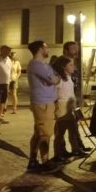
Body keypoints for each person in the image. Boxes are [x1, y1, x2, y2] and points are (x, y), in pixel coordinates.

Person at [26, 40, 61, 172]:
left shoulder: (41, 65)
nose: (48, 49)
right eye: (46, 47)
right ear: (40, 49)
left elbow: (54, 78)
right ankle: (44, 161)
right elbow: (54, 80)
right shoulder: (36, 65)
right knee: (45, 134)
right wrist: (57, 77)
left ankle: (33, 161)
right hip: (43, 103)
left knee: (38, 134)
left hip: (45, 102)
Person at [51, 56, 85, 161]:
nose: (73, 67)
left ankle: (76, 150)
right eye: (70, 65)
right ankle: (59, 153)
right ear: (63, 66)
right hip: (62, 107)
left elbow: (71, 92)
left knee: (73, 130)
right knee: (60, 133)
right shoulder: (58, 78)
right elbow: (53, 94)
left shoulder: (68, 77)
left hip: (71, 107)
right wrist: (56, 108)